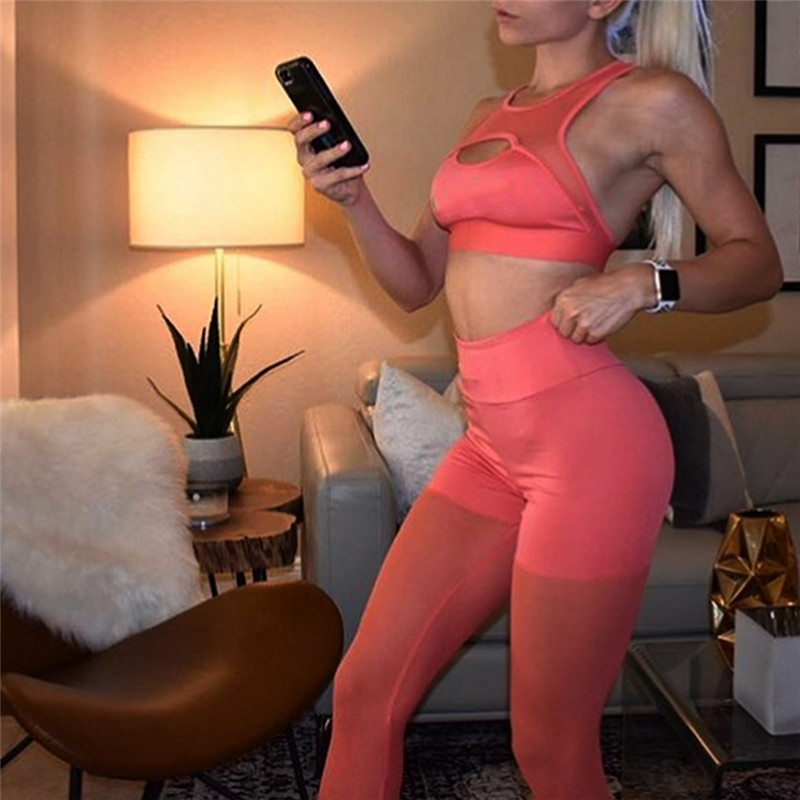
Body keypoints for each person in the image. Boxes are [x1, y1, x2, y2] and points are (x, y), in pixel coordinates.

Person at [289, 1, 783, 798]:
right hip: (489, 450)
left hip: (593, 453)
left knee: (550, 746)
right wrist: (353, 202)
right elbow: (416, 282)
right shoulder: (489, 113)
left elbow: (757, 262)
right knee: (364, 691)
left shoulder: (654, 101)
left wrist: (645, 282)